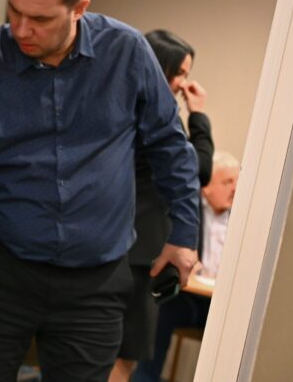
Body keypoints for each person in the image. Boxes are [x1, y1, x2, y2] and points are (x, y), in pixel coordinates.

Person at [0, 0, 201, 381]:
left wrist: (184, 234)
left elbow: (170, 145)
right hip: (0, 272)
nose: (21, 29)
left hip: (95, 283)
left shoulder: (126, 53)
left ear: (79, 8)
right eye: (14, 11)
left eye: (41, 19)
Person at [111, 30, 214, 382]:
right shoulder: (155, 114)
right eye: (180, 73)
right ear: (160, 67)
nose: (184, 83)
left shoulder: (121, 103)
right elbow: (199, 170)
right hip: (139, 253)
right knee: (122, 355)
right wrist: (198, 116)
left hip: (121, 243)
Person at [132, 151, 240, 382]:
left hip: (223, 304)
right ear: (206, 186)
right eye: (227, 182)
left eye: (237, 182)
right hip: (188, 299)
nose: (235, 189)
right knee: (161, 311)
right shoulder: (187, 213)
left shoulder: (242, 219)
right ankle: (145, 378)